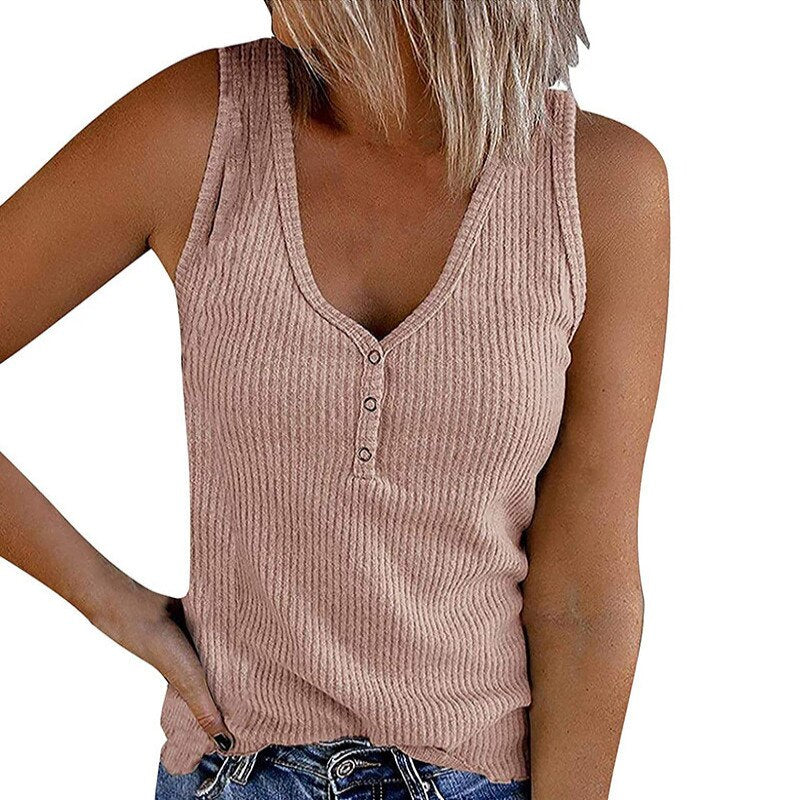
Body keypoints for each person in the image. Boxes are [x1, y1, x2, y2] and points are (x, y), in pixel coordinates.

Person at [0, 1, 669, 798]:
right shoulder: (200, 128)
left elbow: (586, 598)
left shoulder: (601, 187)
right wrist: (115, 606)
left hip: (477, 778)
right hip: (234, 772)